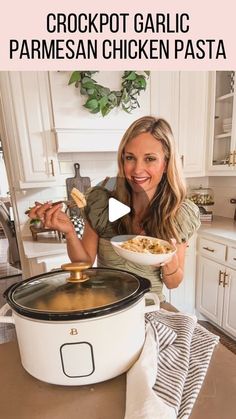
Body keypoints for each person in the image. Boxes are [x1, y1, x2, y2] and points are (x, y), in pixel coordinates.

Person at [28, 116, 200, 302]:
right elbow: (83, 263)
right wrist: (70, 232)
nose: (137, 169)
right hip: (104, 304)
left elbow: (173, 283)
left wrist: (170, 261)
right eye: (130, 158)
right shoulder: (102, 203)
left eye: (150, 159)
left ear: (165, 164)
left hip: (148, 308)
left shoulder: (178, 213)